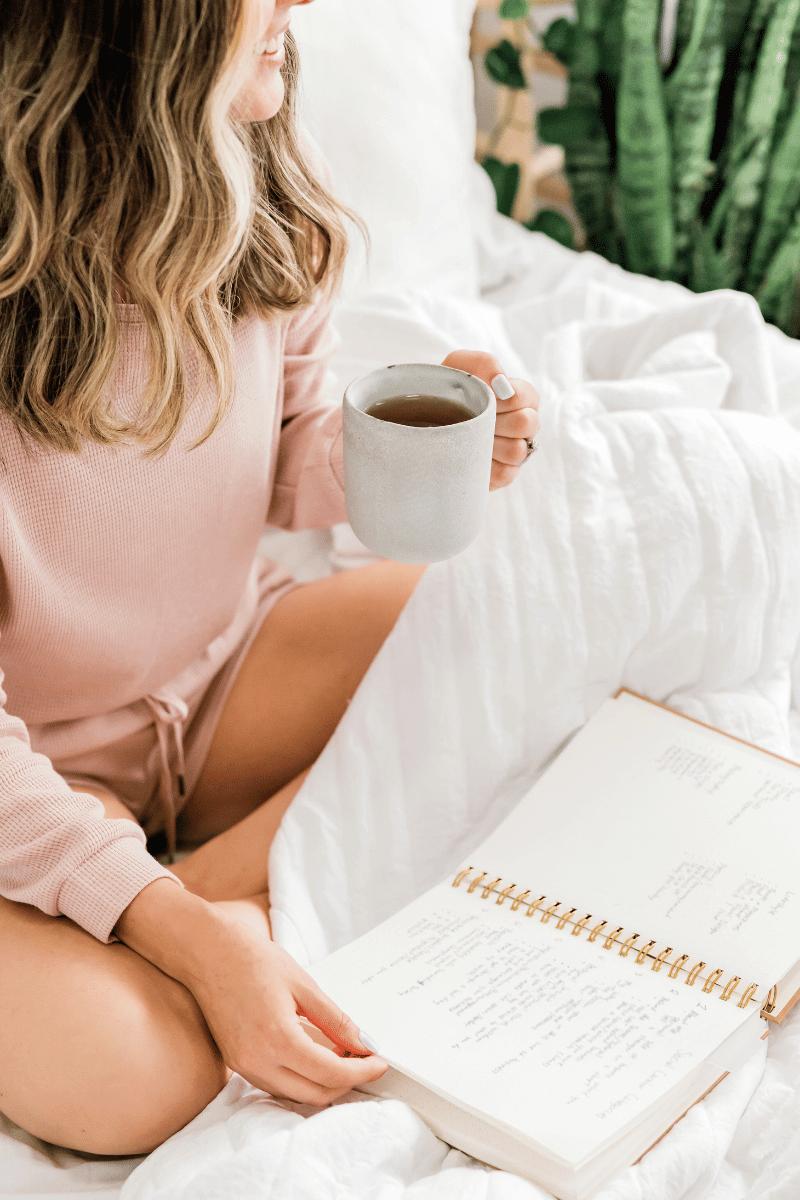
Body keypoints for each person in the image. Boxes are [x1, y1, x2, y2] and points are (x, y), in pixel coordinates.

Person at [0, 0, 540, 1158]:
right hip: (31, 767)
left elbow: (290, 466)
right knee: (137, 1081)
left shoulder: (260, 205)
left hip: (218, 678)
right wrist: (191, 940)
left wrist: (403, 451)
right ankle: (190, 906)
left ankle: (202, 883)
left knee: (502, 628)